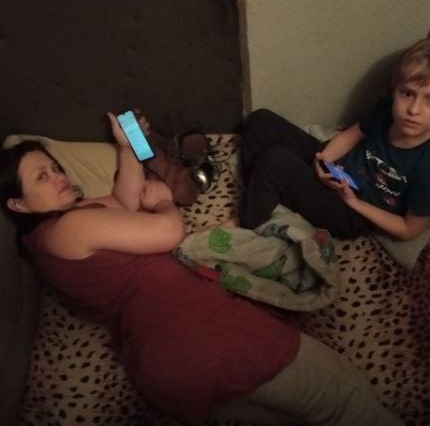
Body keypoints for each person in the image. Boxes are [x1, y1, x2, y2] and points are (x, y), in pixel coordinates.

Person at [0, 114, 401, 426]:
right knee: (345, 396)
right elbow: (169, 233)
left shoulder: (56, 234)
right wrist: (164, 203)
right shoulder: (68, 227)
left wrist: (129, 145)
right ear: (18, 204)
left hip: (163, 369)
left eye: (55, 167)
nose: (59, 177)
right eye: (42, 177)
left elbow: (123, 204)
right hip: (196, 337)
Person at [239, 38, 430, 240]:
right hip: (339, 172)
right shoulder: (387, 110)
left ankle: (249, 221)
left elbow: (409, 230)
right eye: (407, 94)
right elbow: (352, 135)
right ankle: (260, 191)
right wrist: (323, 160)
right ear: (395, 90)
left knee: (275, 161)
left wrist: (353, 202)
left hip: (352, 210)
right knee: (260, 121)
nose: (414, 110)